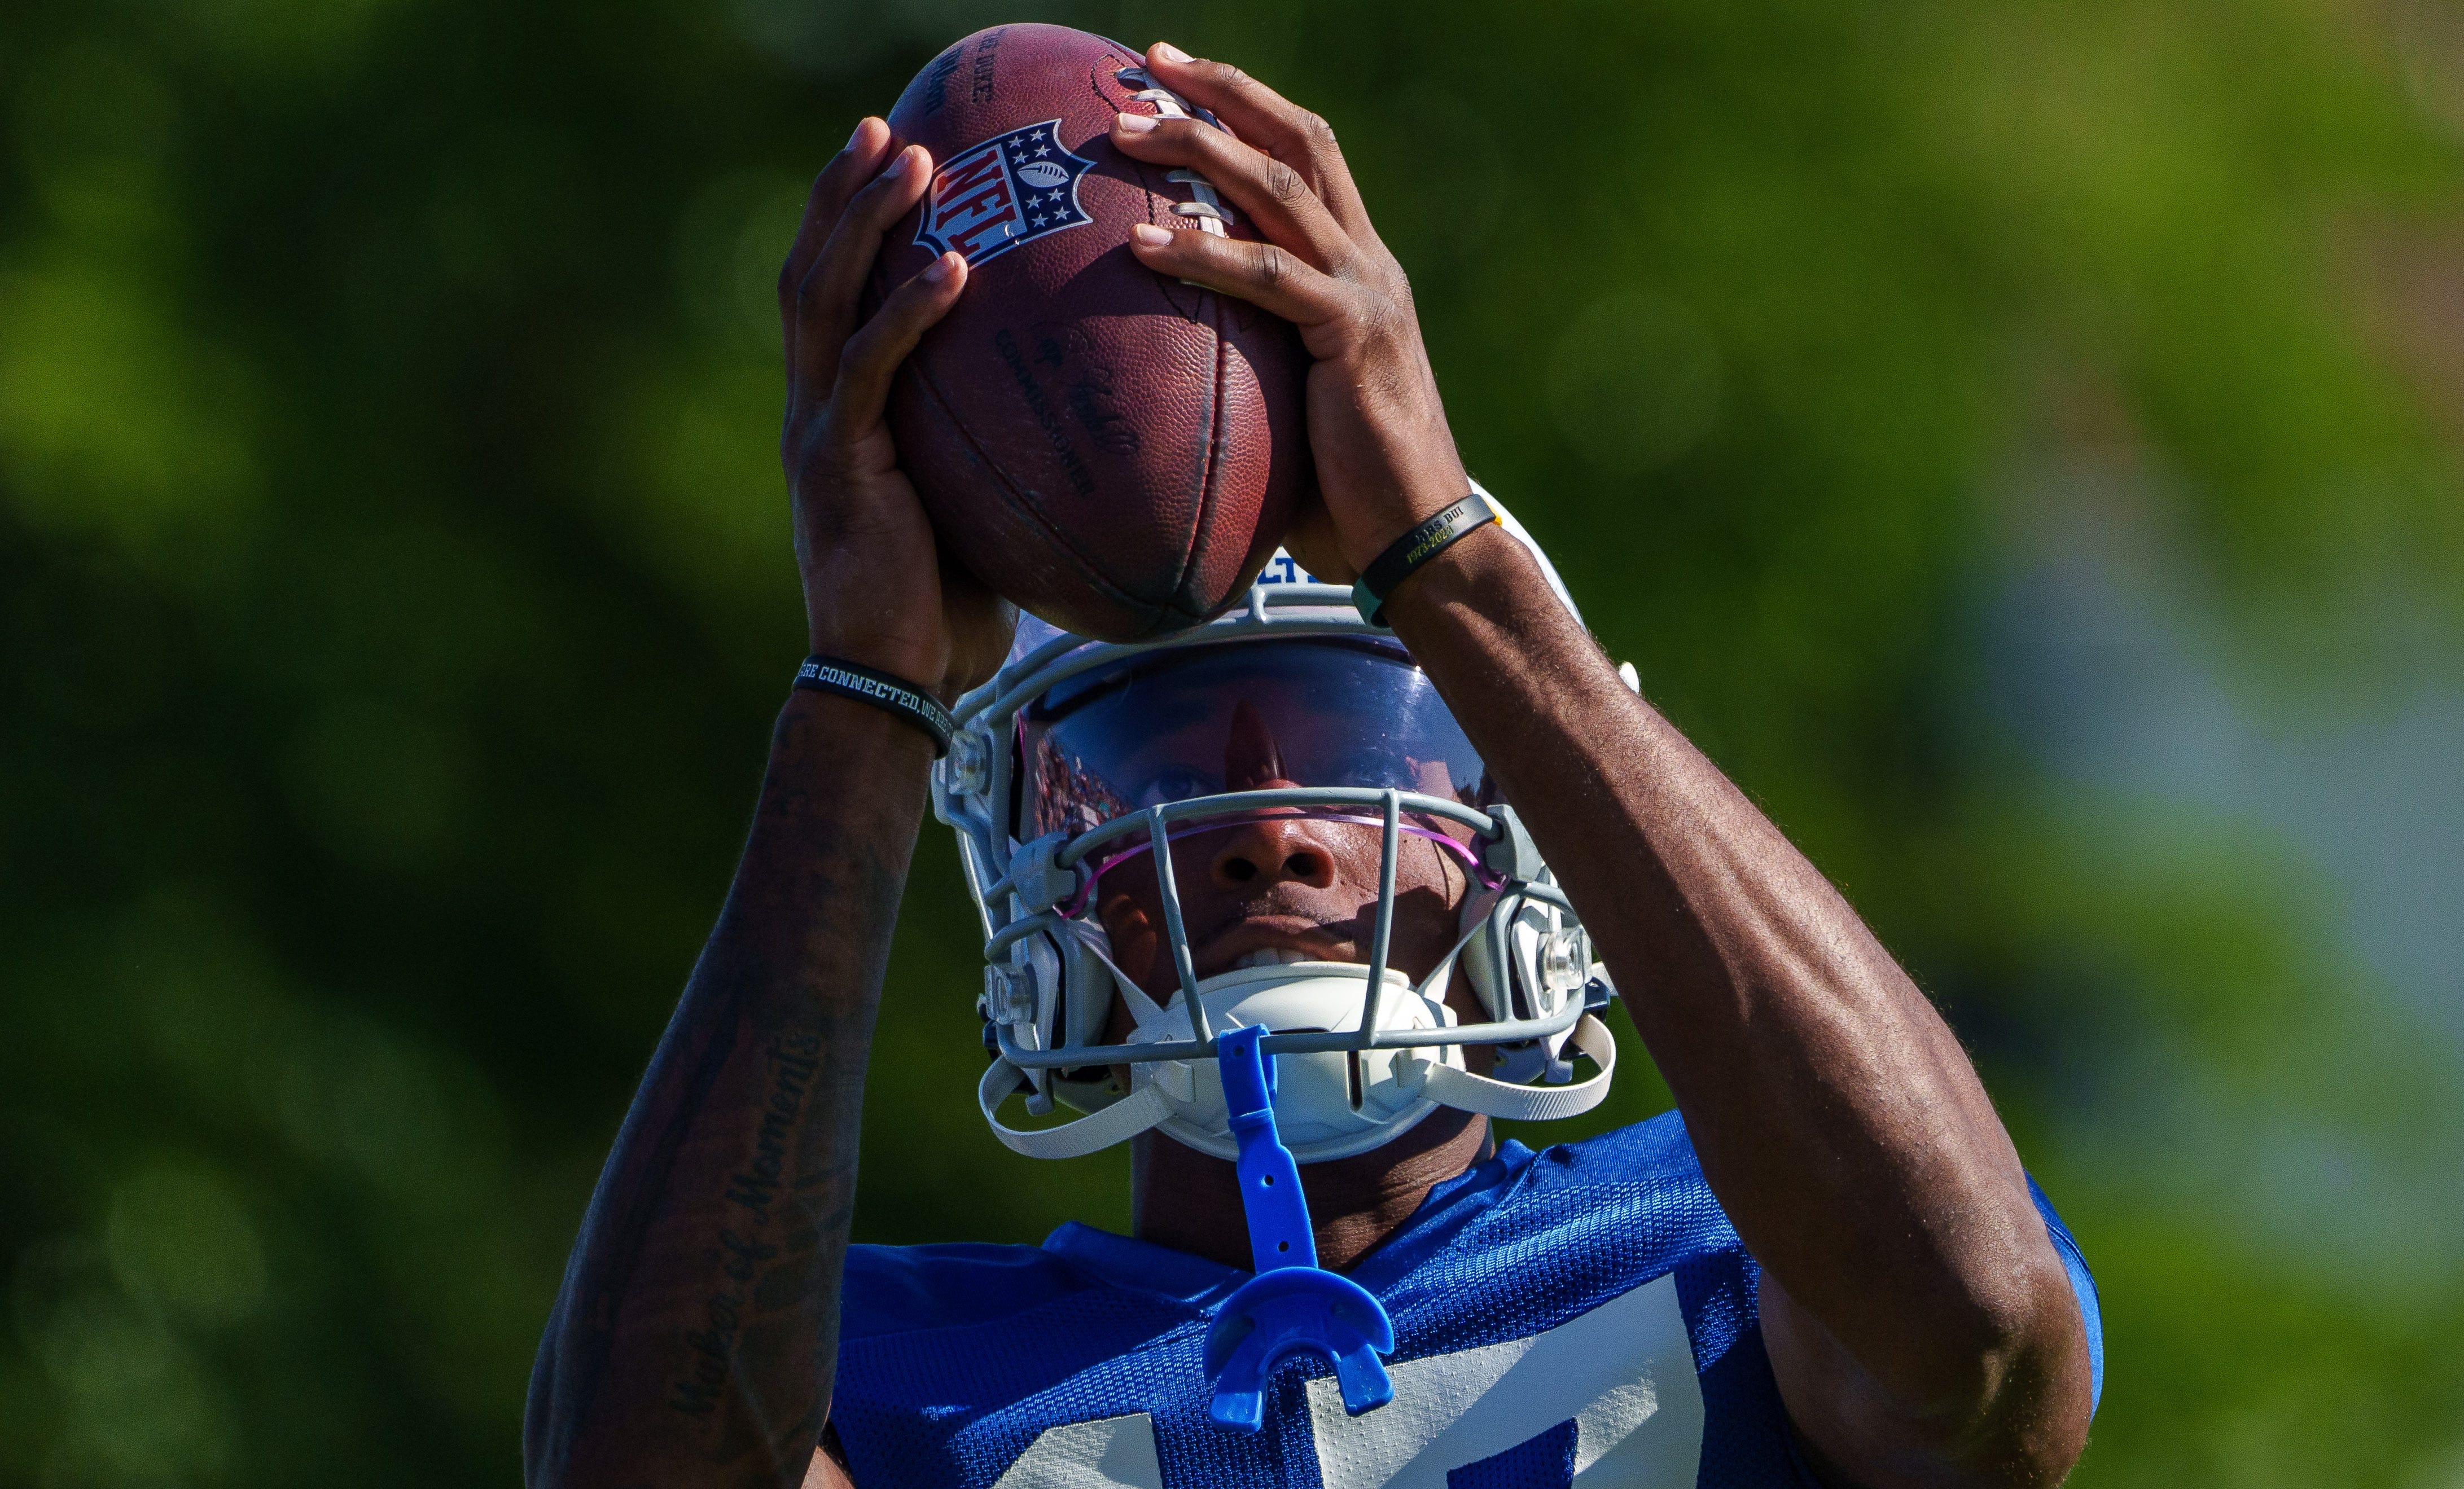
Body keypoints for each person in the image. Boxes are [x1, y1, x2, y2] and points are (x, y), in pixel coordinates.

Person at [523, 42, 2102, 1489]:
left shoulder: (1734, 1242)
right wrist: (863, 697)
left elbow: (1979, 1338)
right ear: (1026, 879)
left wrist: (1454, 565)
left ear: (1518, 823)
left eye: (1358, 749)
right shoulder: (884, 1383)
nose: (1269, 831)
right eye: (1156, 765)